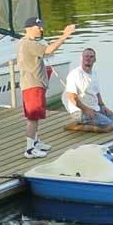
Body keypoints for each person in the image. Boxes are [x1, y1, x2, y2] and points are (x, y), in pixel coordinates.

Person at [17, 16, 76, 158]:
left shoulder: (26, 42)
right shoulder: (28, 44)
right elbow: (48, 50)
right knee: (33, 117)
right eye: (39, 27)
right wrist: (65, 35)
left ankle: (35, 142)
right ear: (29, 28)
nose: (42, 29)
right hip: (33, 85)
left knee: (35, 117)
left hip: (34, 84)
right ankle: (29, 149)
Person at [63, 47, 113, 130]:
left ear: (95, 59)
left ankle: (90, 121)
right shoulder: (75, 74)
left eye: (91, 57)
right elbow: (71, 97)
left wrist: (102, 106)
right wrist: (86, 110)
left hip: (95, 108)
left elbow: (97, 93)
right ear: (81, 58)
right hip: (79, 111)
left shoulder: (94, 74)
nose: (88, 58)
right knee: (109, 126)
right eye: (86, 56)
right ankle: (75, 126)